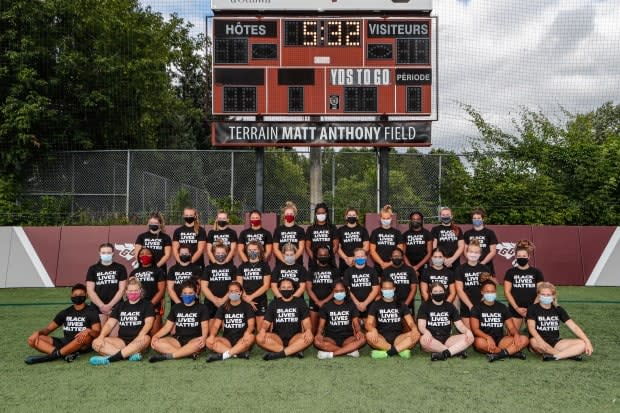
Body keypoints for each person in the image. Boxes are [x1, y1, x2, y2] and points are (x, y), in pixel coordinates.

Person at [25, 283, 101, 364]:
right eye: (75, 294)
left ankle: (52, 356)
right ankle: (65, 354)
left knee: (84, 337)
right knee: (33, 340)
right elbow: (48, 329)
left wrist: (88, 330)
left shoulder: (92, 312)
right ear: (71, 296)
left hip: (82, 345)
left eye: (81, 294)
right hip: (65, 342)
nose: (78, 296)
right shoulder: (65, 312)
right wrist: (38, 332)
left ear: (86, 295)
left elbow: (97, 333)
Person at [89, 277, 154, 365]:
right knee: (95, 342)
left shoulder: (147, 305)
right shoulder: (120, 306)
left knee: (146, 338)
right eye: (130, 291)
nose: (133, 293)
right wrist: (101, 337)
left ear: (140, 291)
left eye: (136, 290)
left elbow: (149, 323)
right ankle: (128, 355)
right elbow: (109, 324)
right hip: (121, 341)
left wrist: (140, 336)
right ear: (126, 291)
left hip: (138, 340)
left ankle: (111, 358)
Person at [527, 282, 593, 361]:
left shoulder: (558, 309)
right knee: (534, 342)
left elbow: (574, 327)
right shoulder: (532, 308)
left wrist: (587, 341)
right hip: (538, 340)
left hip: (555, 342)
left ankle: (556, 356)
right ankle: (569, 355)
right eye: (543, 294)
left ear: (553, 296)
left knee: (583, 344)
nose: (545, 297)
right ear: (538, 295)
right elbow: (531, 327)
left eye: (548, 295)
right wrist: (540, 340)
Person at [470, 276, 529, 362]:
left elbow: (511, 327)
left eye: (492, 291)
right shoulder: (476, 308)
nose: (490, 293)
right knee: (478, 342)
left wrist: (516, 335)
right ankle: (510, 352)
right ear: (482, 292)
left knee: (524, 339)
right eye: (487, 291)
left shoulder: (502, 307)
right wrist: (488, 337)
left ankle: (499, 354)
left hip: (501, 340)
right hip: (484, 339)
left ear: (496, 292)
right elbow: (475, 329)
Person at [149, 280, 209, 362]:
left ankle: (169, 356)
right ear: (181, 294)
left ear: (195, 294)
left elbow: (205, 327)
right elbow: (167, 327)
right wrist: (155, 336)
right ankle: (187, 353)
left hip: (194, 339)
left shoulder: (202, 308)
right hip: (177, 340)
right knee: (156, 343)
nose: (187, 295)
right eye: (185, 293)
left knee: (198, 344)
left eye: (190, 293)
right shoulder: (176, 307)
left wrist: (204, 337)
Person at [256, 278, 313, 360]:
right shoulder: (274, 303)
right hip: (277, 338)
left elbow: (306, 321)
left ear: (293, 289)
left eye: (289, 287)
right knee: (258, 337)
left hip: (295, 338)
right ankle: (293, 351)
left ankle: (278, 354)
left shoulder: (300, 302)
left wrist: (308, 330)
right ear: (279, 289)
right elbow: (266, 322)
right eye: (283, 287)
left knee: (310, 337)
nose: (286, 289)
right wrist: (262, 331)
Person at [417, 282, 474, 361]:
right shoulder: (425, 306)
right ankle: (456, 352)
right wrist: (426, 332)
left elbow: (459, 325)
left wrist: (467, 331)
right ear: (431, 293)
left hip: (447, 339)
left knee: (470, 338)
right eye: (435, 292)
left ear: (444, 292)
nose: (438, 293)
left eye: (441, 291)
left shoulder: (450, 306)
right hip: (431, 338)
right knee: (423, 340)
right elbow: (421, 325)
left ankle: (444, 354)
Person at [366, 279, 421, 359]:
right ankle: (400, 350)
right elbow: (368, 323)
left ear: (394, 289)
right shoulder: (375, 305)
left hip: (398, 338)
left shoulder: (401, 305)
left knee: (417, 334)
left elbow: (410, 323)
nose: (387, 290)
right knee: (369, 335)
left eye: (390, 288)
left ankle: (386, 353)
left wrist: (414, 328)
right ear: (381, 289)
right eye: (385, 288)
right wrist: (373, 329)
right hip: (382, 338)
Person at [314, 281, 366, 359]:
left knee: (363, 339)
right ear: (332, 292)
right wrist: (318, 334)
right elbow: (321, 326)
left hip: (348, 339)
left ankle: (331, 354)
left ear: (345, 291)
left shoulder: (351, 305)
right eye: (336, 291)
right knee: (317, 342)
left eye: (341, 291)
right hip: (330, 339)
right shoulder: (326, 306)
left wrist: (359, 332)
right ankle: (349, 351)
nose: (339, 293)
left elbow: (356, 324)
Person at [206, 282, 256, 362]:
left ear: (240, 292)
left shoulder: (247, 306)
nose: (234, 293)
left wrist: (247, 333)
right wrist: (212, 335)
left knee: (251, 337)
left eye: (236, 291)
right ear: (228, 293)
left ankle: (224, 355)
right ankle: (237, 353)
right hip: (227, 341)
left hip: (242, 339)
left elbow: (251, 325)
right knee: (209, 341)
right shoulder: (223, 307)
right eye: (231, 291)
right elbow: (215, 326)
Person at [504, 240, 544, 329]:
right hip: (515, 308)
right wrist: (517, 308)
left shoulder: (536, 272)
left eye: (524, 256)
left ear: (529, 257)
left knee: (535, 336)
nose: (521, 258)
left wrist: (532, 309)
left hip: (533, 308)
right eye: (519, 256)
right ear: (515, 257)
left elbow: (541, 292)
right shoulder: (510, 272)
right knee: (511, 336)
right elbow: (507, 292)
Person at [455, 240, 494, 328]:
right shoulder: (460, 269)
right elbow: (459, 290)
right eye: (471, 251)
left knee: (481, 333)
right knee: (469, 334)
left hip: (482, 305)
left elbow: (489, 288)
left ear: (480, 254)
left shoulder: (485, 268)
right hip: (466, 306)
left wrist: (482, 303)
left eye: (476, 252)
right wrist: (470, 306)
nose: (473, 254)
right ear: (466, 252)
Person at [86, 242, 128, 324]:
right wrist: (102, 306)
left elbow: (122, 290)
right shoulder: (93, 269)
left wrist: (110, 306)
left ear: (113, 253)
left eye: (108, 252)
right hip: (97, 306)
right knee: (99, 333)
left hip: (116, 306)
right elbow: (90, 290)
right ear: (99, 253)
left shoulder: (120, 268)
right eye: (103, 253)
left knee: (114, 335)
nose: (106, 254)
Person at [130, 247, 166, 335]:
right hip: (137, 306)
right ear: (138, 257)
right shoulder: (134, 272)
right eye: (141, 254)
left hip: (153, 305)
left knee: (154, 334)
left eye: (147, 253)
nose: (144, 256)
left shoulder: (158, 271)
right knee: (136, 334)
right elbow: (130, 290)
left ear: (152, 256)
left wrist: (149, 305)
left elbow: (161, 291)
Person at [236, 241, 271, 329]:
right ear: (246, 251)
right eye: (250, 250)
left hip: (260, 299)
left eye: (255, 249)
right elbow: (239, 286)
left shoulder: (265, 266)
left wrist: (251, 297)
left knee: (261, 330)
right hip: (245, 299)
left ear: (259, 251)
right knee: (246, 330)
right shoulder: (242, 267)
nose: (252, 252)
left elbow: (266, 285)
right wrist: (246, 298)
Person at [201, 241, 236, 327]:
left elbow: (235, 287)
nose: (220, 255)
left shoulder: (232, 268)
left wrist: (223, 300)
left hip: (228, 300)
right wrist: (214, 300)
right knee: (210, 331)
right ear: (213, 253)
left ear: (227, 253)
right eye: (218, 253)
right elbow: (204, 287)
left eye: (222, 253)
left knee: (228, 331)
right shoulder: (208, 268)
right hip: (211, 302)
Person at [306, 246, 340, 333]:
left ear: (329, 256)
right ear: (316, 256)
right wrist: (318, 301)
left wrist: (323, 301)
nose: (323, 257)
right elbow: (309, 288)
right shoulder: (311, 270)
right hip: (314, 303)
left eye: (325, 255)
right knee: (313, 330)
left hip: (330, 303)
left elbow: (336, 289)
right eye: (321, 255)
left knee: (331, 331)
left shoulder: (334, 270)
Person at [342, 248, 380, 323]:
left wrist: (365, 303)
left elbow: (375, 289)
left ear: (366, 257)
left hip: (370, 305)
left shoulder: (372, 271)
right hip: (353, 305)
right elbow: (347, 290)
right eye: (358, 257)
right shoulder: (348, 272)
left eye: (362, 256)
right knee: (356, 330)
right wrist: (357, 304)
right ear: (354, 258)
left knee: (369, 329)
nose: (360, 258)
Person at [369, 204, 405, 276]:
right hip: (379, 265)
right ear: (380, 218)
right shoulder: (375, 232)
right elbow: (372, 251)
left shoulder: (397, 233)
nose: (386, 220)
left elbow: (400, 251)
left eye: (387, 218)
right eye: (384, 218)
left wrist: (389, 263)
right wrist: (382, 263)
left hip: (394, 264)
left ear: (391, 218)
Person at [463, 208, 498, 274]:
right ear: (472, 220)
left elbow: (493, 251)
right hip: (471, 265)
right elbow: (465, 250)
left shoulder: (490, 233)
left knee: (489, 284)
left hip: (486, 265)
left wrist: (482, 263)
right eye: (474, 218)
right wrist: (472, 261)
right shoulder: (467, 233)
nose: (476, 220)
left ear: (483, 219)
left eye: (478, 218)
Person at [335, 207, 369, 274]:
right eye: (349, 215)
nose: (351, 217)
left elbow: (366, 247)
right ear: (346, 217)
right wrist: (346, 258)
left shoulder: (363, 230)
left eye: (353, 215)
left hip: (359, 261)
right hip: (344, 262)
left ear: (357, 217)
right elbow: (337, 247)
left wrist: (355, 258)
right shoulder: (340, 230)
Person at [382, 247, 418, 311]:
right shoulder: (386, 271)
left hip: (407, 304)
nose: (397, 258)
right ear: (391, 258)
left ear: (402, 257)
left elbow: (414, 289)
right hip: (391, 305)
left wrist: (405, 305)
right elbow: (382, 289)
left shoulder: (410, 270)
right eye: (395, 256)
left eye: (399, 256)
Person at [305, 202, 338, 269]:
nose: (321, 215)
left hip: (329, 262)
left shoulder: (332, 228)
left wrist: (328, 258)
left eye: (323, 213)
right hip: (314, 263)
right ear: (316, 214)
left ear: (326, 213)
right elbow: (307, 247)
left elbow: (336, 245)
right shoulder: (310, 229)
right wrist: (315, 259)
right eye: (319, 213)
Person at [273, 201, 306, 266]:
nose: (289, 215)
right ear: (284, 216)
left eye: (291, 214)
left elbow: (301, 248)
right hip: (281, 263)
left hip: (297, 263)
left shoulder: (300, 230)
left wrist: (292, 259)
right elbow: (275, 249)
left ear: (294, 215)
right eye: (287, 214)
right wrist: (284, 261)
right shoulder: (278, 230)